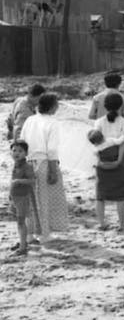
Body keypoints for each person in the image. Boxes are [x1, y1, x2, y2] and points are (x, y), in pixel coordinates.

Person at [21, 93, 69, 242]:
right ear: (53, 106)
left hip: (27, 161)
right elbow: (52, 149)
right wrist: (53, 170)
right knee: (45, 199)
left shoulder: (30, 120)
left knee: (30, 199)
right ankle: (45, 234)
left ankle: (30, 234)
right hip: (44, 162)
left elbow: (22, 141)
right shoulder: (52, 122)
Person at [93, 93, 124, 231]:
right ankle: (121, 224)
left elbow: (96, 143)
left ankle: (102, 223)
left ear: (105, 106)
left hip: (103, 157)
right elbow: (123, 143)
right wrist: (119, 159)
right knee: (121, 194)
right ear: (121, 106)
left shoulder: (99, 122)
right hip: (119, 157)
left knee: (100, 193)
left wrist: (99, 160)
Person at [9, 140, 35, 256]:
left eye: (20, 151)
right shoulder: (16, 165)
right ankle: (22, 242)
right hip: (15, 197)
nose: (16, 153)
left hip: (22, 197)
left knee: (21, 222)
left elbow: (33, 180)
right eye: (14, 150)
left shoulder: (27, 166)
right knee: (18, 221)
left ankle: (23, 247)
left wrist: (19, 181)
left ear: (26, 153)